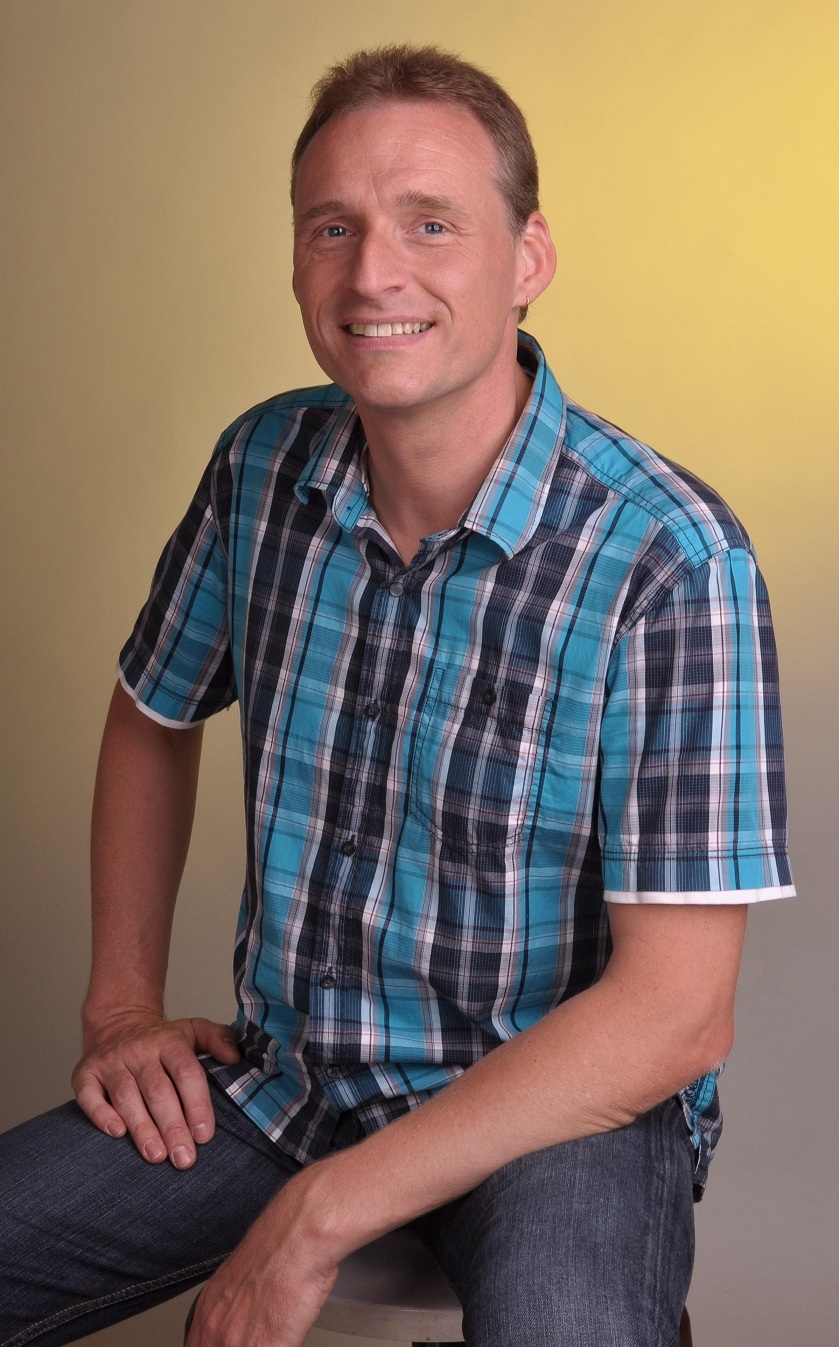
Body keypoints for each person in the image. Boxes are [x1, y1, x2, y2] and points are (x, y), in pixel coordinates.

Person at [0, 44, 794, 1347]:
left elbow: (675, 1014)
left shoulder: (670, 558)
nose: (373, 273)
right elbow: (153, 712)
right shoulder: (261, 467)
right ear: (296, 261)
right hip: (290, 1084)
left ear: (528, 257)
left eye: (432, 224)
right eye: (334, 228)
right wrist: (122, 1008)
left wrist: (316, 1219)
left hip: (562, 1118)